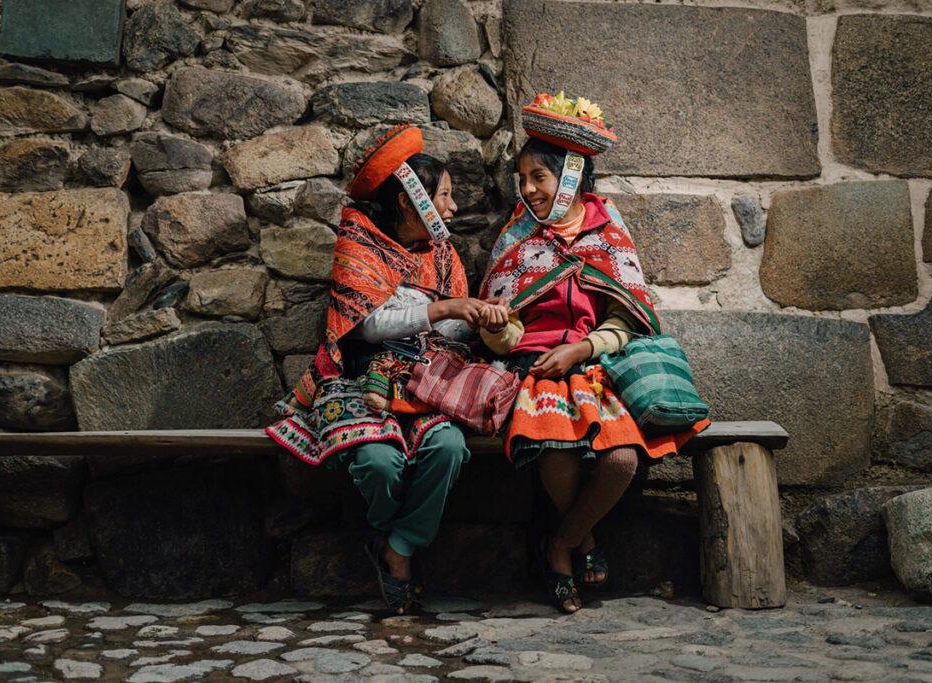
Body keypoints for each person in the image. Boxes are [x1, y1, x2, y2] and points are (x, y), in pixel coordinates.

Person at [478, 92, 709, 613]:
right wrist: (497, 329)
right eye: (523, 180)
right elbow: (507, 327)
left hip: (595, 364)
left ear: (573, 175)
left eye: (539, 177)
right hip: (532, 369)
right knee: (556, 450)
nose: (529, 190)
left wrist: (581, 346)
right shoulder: (518, 235)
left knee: (622, 461)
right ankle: (574, 549)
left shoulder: (607, 231)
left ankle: (563, 539)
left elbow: (630, 315)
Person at [266, 123, 495, 614]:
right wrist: (444, 310)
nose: (453, 209)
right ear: (411, 202)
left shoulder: (444, 255)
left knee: (448, 447)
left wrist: (481, 324)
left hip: (425, 381)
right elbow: (365, 326)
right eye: (445, 197)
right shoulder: (359, 243)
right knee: (377, 462)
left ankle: (399, 548)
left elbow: (455, 333)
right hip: (356, 380)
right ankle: (399, 534)